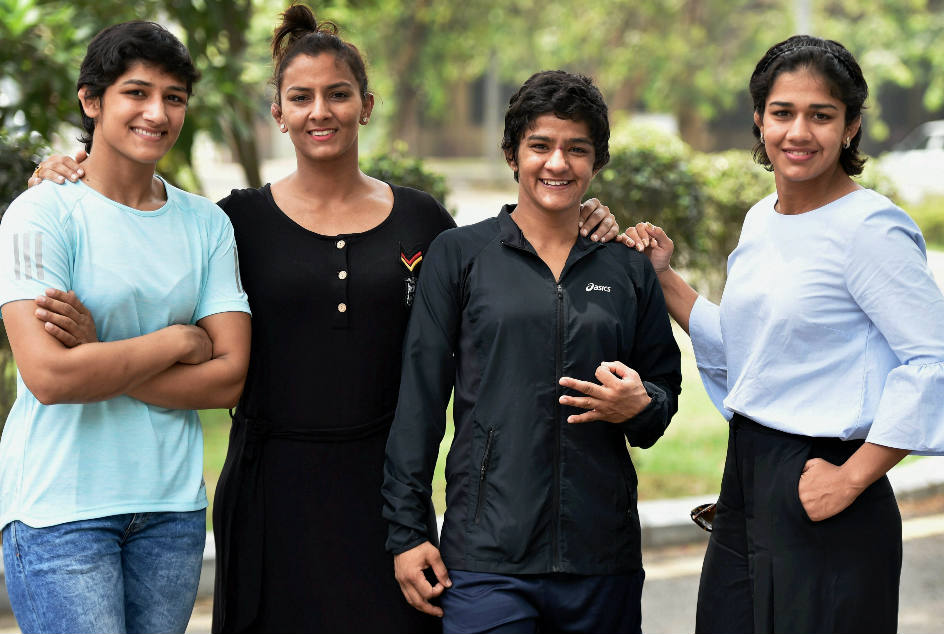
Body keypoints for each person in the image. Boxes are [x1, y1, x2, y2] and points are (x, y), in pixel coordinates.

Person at [28, 6, 622, 633]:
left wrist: (583, 217)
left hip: (387, 495)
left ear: (366, 105)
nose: (321, 112)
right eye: (301, 97)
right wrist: (67, 167)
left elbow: (511, 257)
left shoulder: (424, 222)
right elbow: (146, 228)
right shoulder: (230, 222)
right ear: (277, 112)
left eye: (338, 95)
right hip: (268, 493)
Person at [625, 35, 944, 634]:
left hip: (826, 486)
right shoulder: (761, 219)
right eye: (783, 112)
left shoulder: (870, 227)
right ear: (759, 119)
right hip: (748, 478)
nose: (799, 131)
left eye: (821, 115)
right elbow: (753, 351)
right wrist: (663, 279)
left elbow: (935, 361)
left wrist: (851, 477)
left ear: (850, 127)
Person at [382, 70, 682, 634]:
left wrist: (640, 405)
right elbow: (419, 404)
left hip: (601, 559)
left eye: (577, 149)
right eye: (540, 146)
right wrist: (408, 533)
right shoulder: (459, 256)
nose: (557, 164)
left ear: (597, 162)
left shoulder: (626, 269)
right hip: (486, 560)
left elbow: (662, 395)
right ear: (512, 153)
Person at [0, 21, 251, 634]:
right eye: (136, 93)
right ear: (92, 101)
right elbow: (51, 376)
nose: (156, 113)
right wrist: (178, 341)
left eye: (173, 97)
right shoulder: (43, 213)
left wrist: (100, 353)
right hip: (61, 509)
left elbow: (228, 380)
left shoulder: (205, 224)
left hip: (172, 510)